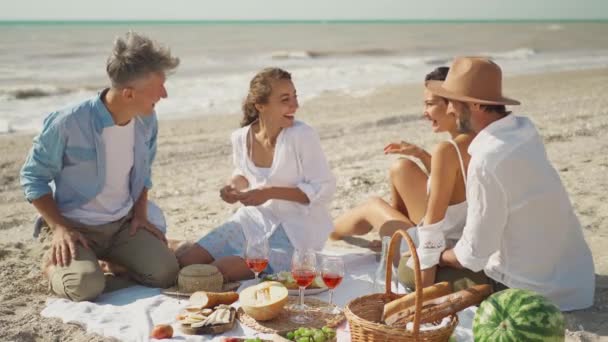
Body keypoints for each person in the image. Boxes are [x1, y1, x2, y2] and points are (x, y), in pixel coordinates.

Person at [20, 32, 180, 302]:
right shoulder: (67, 122)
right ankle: (53, 267)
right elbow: (33, 177)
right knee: (85, 288)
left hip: (122, 226)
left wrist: (140, 215)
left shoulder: (146, 121)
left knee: (166, 273)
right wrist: (60, 228)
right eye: (158, 87)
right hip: (76, 227)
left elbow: (143, 173)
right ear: (128, 93)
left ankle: (107, 263)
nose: (164, 94)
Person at [426, 56, 594, 310]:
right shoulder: (524, 131)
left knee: (411, 271)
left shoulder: (485, 159)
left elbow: (473, 254)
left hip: (530, 293)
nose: (449, 110)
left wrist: (440, 256)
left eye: (453, 103)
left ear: (476, 105)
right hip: (575, 281)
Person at [330, 67, 483, 290]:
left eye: (430, 104)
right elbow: (456, 185)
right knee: (401, 167)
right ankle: (388, 232)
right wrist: (421, 155)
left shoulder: (448, 151)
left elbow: (432, 233)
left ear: (452, 104)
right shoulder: (477, 142)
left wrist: (424, 281)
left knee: (372, 206)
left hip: (435, 251)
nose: (424, 112)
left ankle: (326, 231)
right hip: (455, 229)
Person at [177, 67, 336, 281]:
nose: (295, 105)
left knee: (220, 271)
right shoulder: (241, 137)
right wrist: (233, 186)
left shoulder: (302, 135)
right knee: (187, 260)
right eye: (285, 99)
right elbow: (243, 172)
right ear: (260, 105)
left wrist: (270, 192)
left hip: (294, 233)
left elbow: (324, 190)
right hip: (252, 220)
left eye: (295, 96)